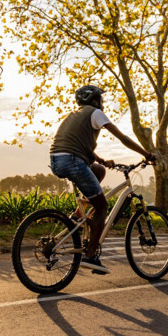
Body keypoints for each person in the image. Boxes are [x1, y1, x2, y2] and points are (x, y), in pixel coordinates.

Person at [49, 85, 155, 274]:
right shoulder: (95, 113)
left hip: (58, 160)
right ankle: (90, 256)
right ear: (95, 100)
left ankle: (79, 214)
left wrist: (101, 160)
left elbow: (79, 144)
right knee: (102, 206)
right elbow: (122, 138)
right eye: (101, 99)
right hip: (73, 160)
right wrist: (146, 154)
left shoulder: (73, 115)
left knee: (98, 170)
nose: (103, 103)